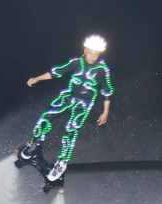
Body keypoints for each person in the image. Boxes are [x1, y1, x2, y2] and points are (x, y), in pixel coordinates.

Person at [19, 34, 114, 182]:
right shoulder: (76, 63)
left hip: (83, 104)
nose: (93, 56)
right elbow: (56, 72)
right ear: (85, 50)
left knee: (71, 130)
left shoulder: (101, 70)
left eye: (96, 54)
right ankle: (35, 144)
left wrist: (105, 112)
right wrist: (37, 78)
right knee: (45, 119)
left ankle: (62, 163)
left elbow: (107, 91)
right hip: (68, 97)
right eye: (91, 52)